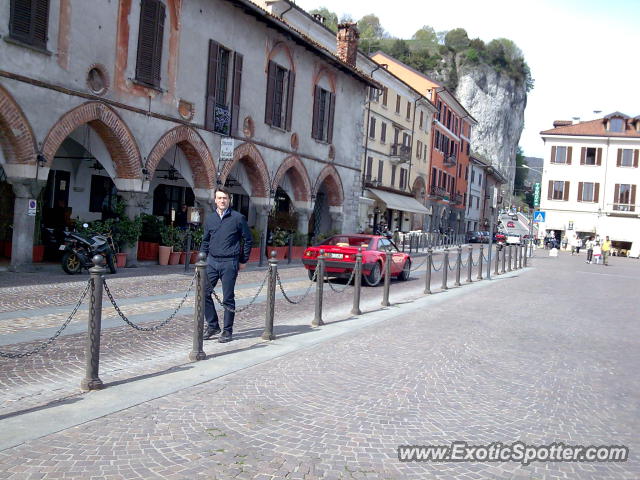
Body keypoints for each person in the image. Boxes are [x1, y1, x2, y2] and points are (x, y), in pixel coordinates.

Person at [201, 187, 252, 343]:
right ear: (215, 200)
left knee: (228, 298)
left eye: (225, 198)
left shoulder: (238, 218)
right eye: (219, 198)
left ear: (229, 200)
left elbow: (248, 240)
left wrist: (243, 260)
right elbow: (205, 240)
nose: (222, 201)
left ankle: (227, 331)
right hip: (211, 262)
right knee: (203, 293)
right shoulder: (210, 219)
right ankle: (213, 325)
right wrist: (201, 260)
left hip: (230, 262)